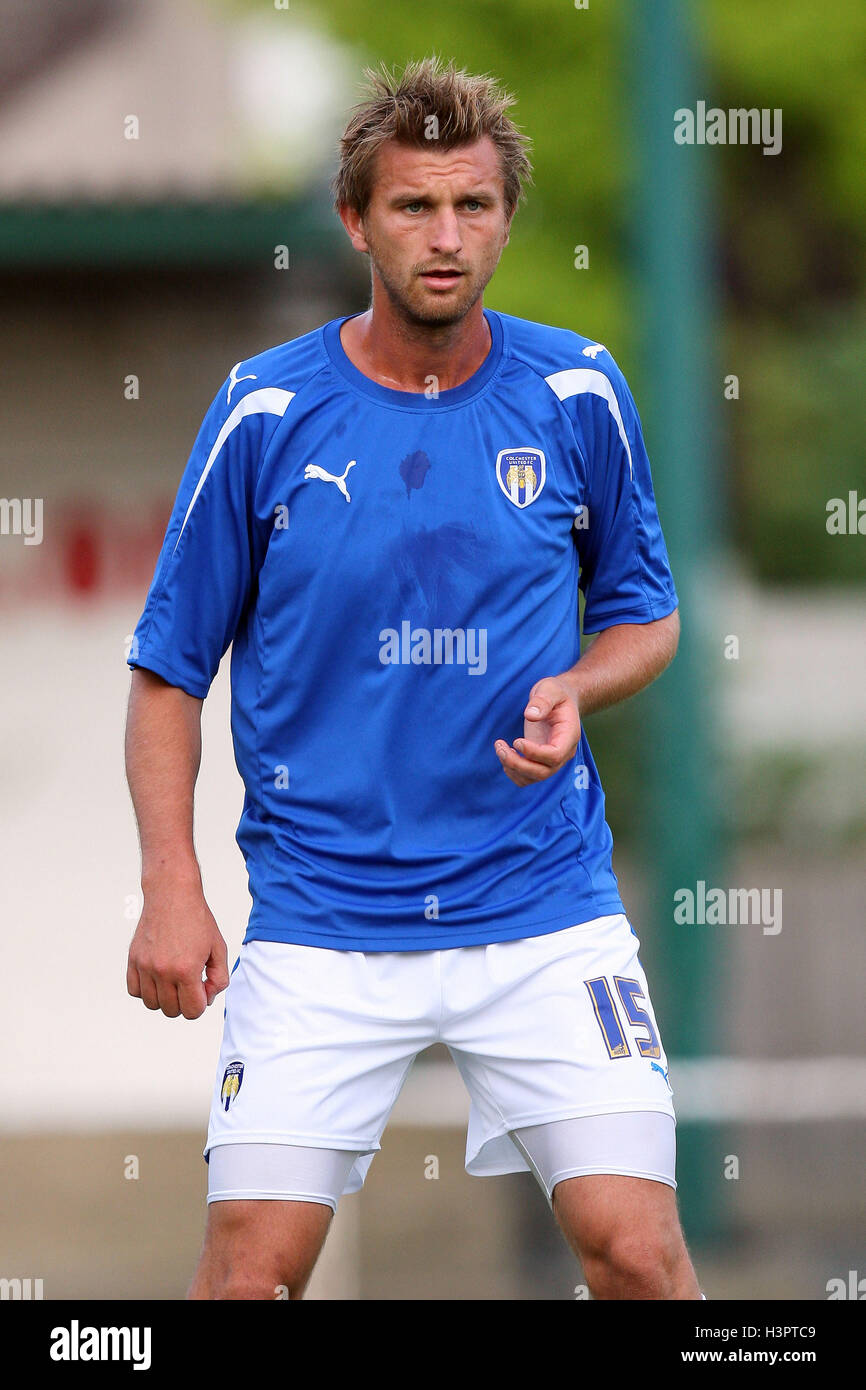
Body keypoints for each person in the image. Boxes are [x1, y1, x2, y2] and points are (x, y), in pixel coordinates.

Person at [125, 55, 702, 1300]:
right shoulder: (263, 410)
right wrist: (172, 886)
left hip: (542, 907)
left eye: (472, 206)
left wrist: (577, 688)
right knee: (246, 1280)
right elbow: (168, 672)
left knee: (641, 1255)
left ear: (504, 218)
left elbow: (644, 619)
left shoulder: (577, 391)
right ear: (355, 219)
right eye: (411, 207)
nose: (445, 238)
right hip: (322, 923)